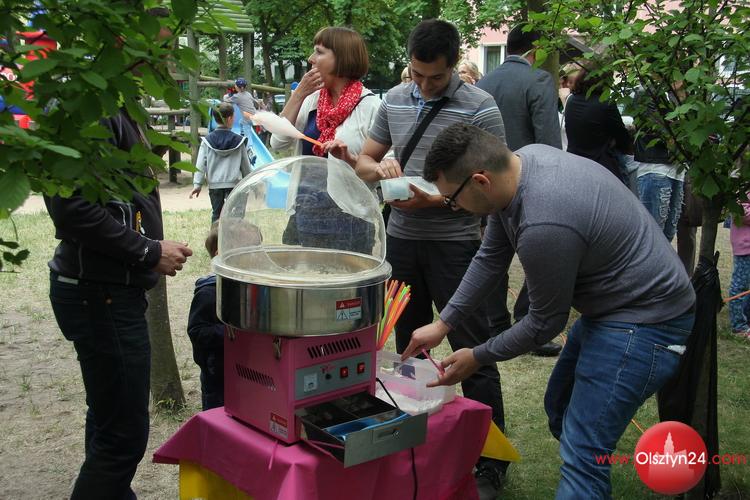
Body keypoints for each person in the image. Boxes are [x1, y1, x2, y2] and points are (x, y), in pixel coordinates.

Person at [402, 122, 696, 499]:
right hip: (615, 309)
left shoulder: (544, 222)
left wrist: (478, 356)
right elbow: (491, 257)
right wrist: (444, 323)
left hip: (647, 321)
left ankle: (585, 466)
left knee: (583, 452)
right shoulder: (523, 163)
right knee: (560, 406)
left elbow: (544, 323)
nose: (454, 208)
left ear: (480, 181)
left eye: (452, 199)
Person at [354, 19, 508, 498]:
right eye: (416, 74)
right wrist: (380, 168)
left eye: (435, 77)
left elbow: (497, 182)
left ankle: (491, 461)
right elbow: (364, 162)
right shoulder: (394, 99)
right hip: (401, 241)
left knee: (473, 350)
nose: (423, 86)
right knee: (407, 347)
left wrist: (438, 200)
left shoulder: (480, 107)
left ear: (453, 66)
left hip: (456, 245)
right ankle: (414, 445)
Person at [46, 108, 193, 497]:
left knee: (109, 422)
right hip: (99, 295)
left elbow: (115, 188)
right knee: (123, 435)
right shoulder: (91, 105)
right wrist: (148, 250)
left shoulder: (119, 103)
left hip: (108, 293)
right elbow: (71, 209)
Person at [476, 24, 563, 356]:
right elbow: (549, 142)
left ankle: (496, 323)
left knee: (493, 254)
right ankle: (527, 321)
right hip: (528, 180)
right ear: (536, 50)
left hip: (485, 183)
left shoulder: (483, 82)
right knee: (539, 254)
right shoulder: (539, 80)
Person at [269, 26, 381, 254]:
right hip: (306, 212)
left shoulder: (372, 107)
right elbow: (278, 142)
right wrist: (298, 95)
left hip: (351, 217)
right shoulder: (311, 100)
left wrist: (349, 158)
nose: (311, 59)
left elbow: (381, 170)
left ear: (342, 58)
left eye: (319, 52)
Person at [632, 82, 686, 242]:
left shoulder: (680, 95)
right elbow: (654, 127)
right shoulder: (647, 92)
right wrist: (680, 141)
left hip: (677, 170)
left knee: (669, 233)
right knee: (653, 234)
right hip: (655, 168)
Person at [564, 62, 632, 181]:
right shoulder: (605, 104)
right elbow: (622, 138)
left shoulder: (571, 101)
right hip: (601, 165)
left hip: (575, 164)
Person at [190, 102, 253, 223]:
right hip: (234, 186)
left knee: (217, 215)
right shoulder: (239, 141)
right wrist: (249, 182)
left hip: (215, 186)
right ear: (229, 118)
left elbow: (200, 164)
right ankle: (234, 234)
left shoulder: (207, 141)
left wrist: (197, 184)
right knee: (236, 216)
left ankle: (215, 235)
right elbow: (245, 165)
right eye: (233, 117)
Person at [187, 223, 224, 410]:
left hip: (243, 368)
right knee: (217, 414)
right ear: (219, 255)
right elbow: (197, 331)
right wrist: (232, 333)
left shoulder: (248, 286)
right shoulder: (209, 292)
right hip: (216, 373)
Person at [728, 198, 750, 338]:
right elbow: (741, 212)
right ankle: (739, 326)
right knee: (740, 287)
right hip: (746, 247)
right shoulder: (742, 191)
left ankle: (746, 320)